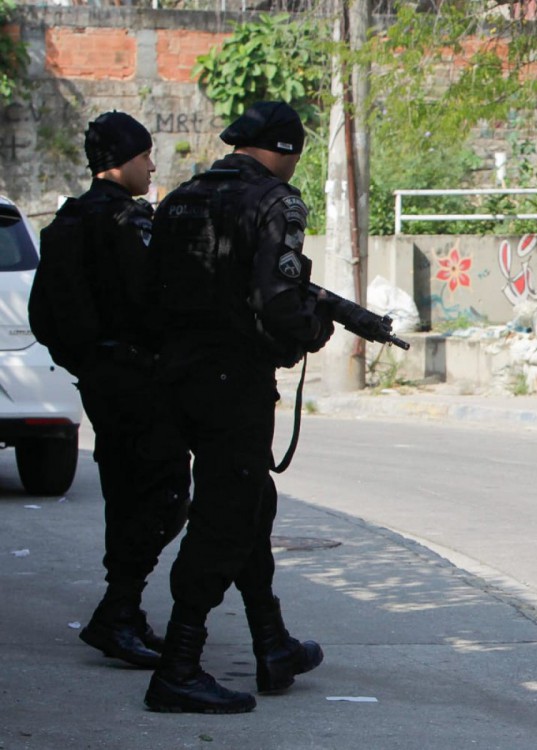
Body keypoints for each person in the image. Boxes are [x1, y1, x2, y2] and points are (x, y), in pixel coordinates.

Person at [142, 101, 334, 714]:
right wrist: (312, 328)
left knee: (251, 502)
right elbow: (277, 300)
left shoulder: (181, 199)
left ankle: (272, 644)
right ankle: (178, 667)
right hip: (233, 384)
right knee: (225, 515)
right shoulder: (277, 201)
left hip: (174, 379)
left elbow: (150, 293)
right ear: (284, 151)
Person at [28, 112, 191, 669]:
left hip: (101, 381)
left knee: (125, 492)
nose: (152, 166)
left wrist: (89, 363)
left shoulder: (68, 221)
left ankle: (125, 610)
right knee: (166, 492)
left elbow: (43, 318)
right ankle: (117, 610)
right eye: (145, 156)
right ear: (121, 161)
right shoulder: (128, 222)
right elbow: (157, 300)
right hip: (138, 381)